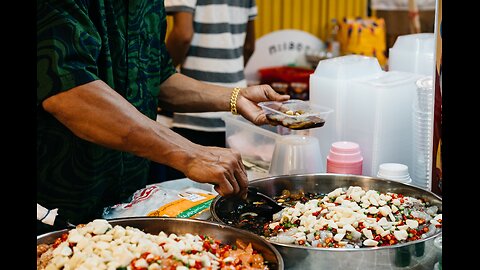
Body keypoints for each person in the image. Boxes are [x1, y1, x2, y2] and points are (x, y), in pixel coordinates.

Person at [37, 0, 289, 234]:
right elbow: (70, 92)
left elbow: (157, 76)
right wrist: (190, 153)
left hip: (127, 202)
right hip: (57, 205)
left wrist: (235, 97)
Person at [157, 0, 257, 180]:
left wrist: (155, 78)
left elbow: (183, 35)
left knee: (186, 195)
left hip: (193, 109)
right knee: (227, 188)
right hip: (237, 112)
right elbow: (249, 46)